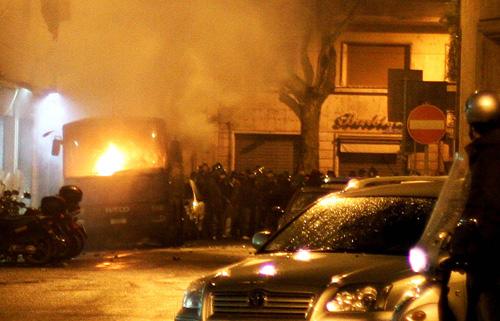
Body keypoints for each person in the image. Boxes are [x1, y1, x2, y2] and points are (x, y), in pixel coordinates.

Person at [450, 90, 500, 321]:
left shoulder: (484, 156)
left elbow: (477, 203)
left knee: (482, 306)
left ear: (472, 125)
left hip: (489, 252)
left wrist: (460, 240)